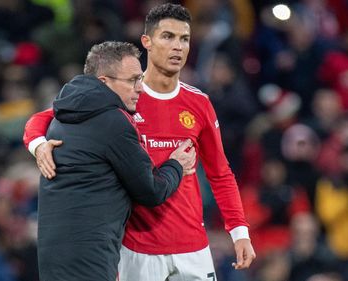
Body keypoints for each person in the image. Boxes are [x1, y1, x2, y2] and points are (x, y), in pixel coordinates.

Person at [23, 4, 256, 280]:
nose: (177, 47)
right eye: (167, 37)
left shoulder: (199, 103)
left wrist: (239, 231)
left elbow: (220, 173)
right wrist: (38, 145)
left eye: (184, 39)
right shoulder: (122, 96)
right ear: (146, 41)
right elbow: (44, 117)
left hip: (192, 246)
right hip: (136, 248)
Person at [36, 41, 196, 281]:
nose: (140, 88)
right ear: (104, 82)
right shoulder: (112, 121)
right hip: (89, 260)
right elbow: (151, 191)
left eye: (140, 78)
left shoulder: (62, 116)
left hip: (54, 255)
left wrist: (35, 144)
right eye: (132, 80)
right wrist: (176, 165)